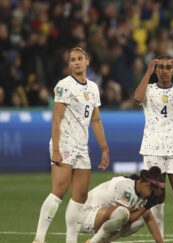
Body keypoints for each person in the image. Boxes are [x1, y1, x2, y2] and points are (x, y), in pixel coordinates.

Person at [33, 47, 110, 243]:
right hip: (65, 143)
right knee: (59, 189)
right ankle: (39, 238)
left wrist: (103, 147)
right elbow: (56, 120)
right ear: (69, 65)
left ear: (87, 61)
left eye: (79, 58)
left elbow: (96, 120)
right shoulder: (64, 86)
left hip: (82, 147)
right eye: (72, 59)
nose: (76, 62)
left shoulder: (93, 88)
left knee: (80, 196)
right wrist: (56, 149)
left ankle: (71, 240)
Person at [133, 55, 173, 240]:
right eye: (161, 67)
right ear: (156, 70)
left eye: (169, 68)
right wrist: (147, 72)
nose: (165, 71)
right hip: (153, 150)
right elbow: (137, 98)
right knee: (156, 200)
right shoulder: (149, 89)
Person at [80, 166, 165, 243]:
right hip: (83, 217)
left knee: (140, 220)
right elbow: (126, 220)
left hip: (97, 217)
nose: (151, 198)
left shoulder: (141, 192)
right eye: (153, 194)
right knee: (122, 213)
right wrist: (145, 207)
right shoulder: (126, 188)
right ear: (147, 185)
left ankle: (101, 242)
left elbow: (149, 219)